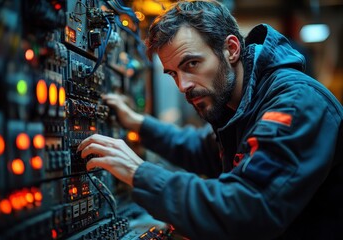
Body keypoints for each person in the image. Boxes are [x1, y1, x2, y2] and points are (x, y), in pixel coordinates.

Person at [77, 0, 343, 239]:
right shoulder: (240, 107)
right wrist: (138, 123)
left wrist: (140, 173)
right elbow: (201, 149)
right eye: (172, 74)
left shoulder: (294, 102)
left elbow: (249, 209)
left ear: (231, 49)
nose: (183, 85)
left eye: (191, 64)